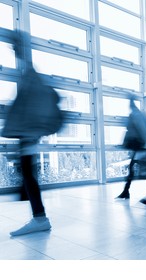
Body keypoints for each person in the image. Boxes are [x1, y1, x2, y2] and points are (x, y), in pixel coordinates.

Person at [3, 31, 62, 236]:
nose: (13, 48)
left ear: (22, 47)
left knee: (28, 174)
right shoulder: (28, 72)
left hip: (29, 135)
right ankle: (39, 217)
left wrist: (29, 134)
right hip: (28, 134)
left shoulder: (29, 73)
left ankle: (40, 218)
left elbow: (32, 107)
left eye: (15, 45)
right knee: (27, 174)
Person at [116, 96, 146, 203]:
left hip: (140, 145)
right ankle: (126, 190)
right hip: (140, 145)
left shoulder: (136, 114)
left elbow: (142, 129)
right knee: (136, 167)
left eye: (130, 102)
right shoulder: (137, 114)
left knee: (140, 167)